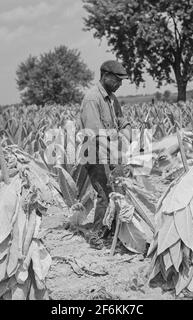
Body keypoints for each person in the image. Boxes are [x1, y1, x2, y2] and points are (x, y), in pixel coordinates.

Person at [79, 60, 132, 248]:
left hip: (111, 152)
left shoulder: (111, 98)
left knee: (117, 191)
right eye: (117, 80)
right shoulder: (92, 99)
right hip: (95, 153)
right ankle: (97, 235)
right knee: (104, 193)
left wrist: (128, 135)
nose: (120, 84)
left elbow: (121, 120)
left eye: (121, 81)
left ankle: (113, 229)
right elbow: (96, 135)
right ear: (105, 76)